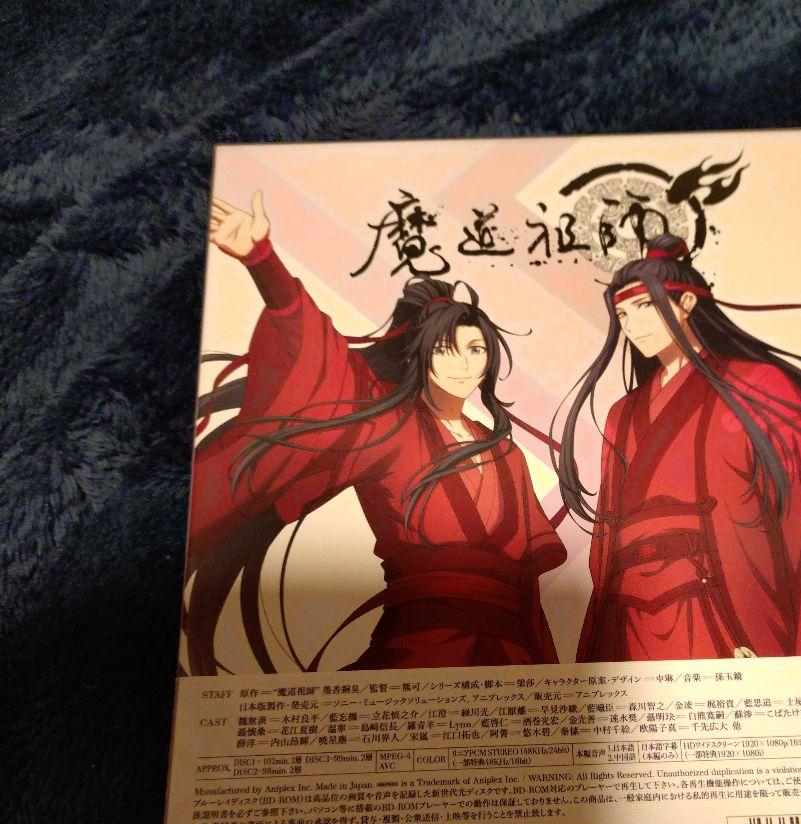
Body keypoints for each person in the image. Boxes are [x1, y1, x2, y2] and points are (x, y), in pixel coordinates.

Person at [184, 191, 566, 674]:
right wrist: (263, 261)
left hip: (510, 657)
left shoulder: (506, 454)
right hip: (417, 650)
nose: (463, 363)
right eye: (444, 348)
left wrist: (545, 673)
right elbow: (321, 351)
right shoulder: (388, 424)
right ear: (419, 355)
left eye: (475, 349)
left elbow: (526, 591)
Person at [557, 234, 801, 662]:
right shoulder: (622, 413)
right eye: (622, 314)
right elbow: (607, 536)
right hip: (629, 614)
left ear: (687, 303)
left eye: (646, 306)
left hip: (720, 604)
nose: (633, 325)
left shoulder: (755, 384)